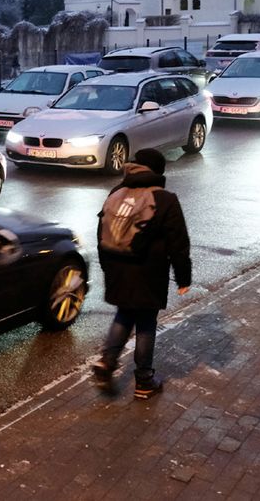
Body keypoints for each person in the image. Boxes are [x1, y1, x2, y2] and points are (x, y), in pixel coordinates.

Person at [91, 148, 191, 400]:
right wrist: (183, 278)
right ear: (158, 171)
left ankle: (107, 362)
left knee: (124, 314)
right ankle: (145, 381)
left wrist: (107, 267)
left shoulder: (116, 193)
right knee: (146, 323)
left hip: (116, 267)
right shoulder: (164, 198)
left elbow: (101, 232)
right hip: (149, 271)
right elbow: (178, 242)